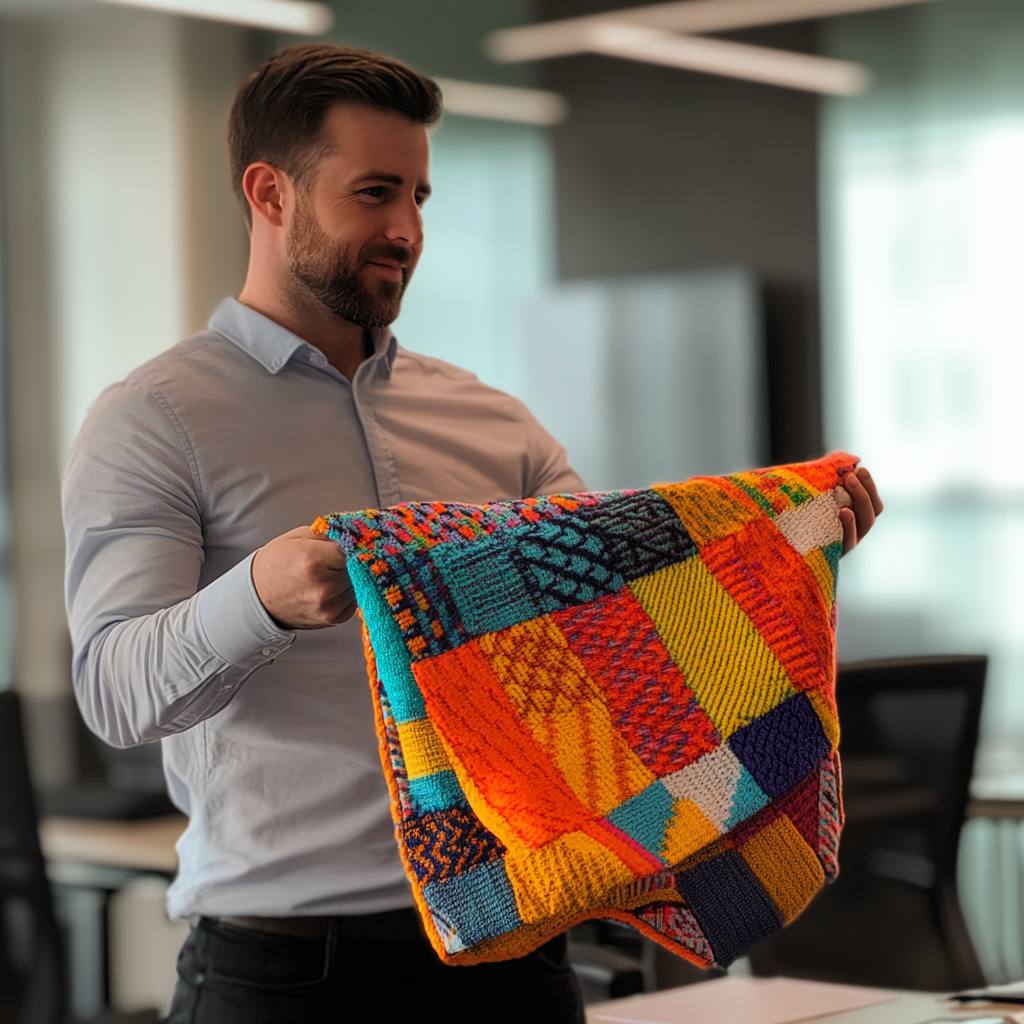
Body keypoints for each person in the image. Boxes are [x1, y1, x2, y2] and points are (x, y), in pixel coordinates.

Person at [61, 44, 883, 1024]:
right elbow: (114, 688)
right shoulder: (155, 417)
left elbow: (618, 632)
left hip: (517, 961)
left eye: (419, 196)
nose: (406, 229)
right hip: (288, 978)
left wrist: (772, 556)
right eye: (374, 192)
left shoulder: (493, 422)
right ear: (269, 192)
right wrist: (262, 598)